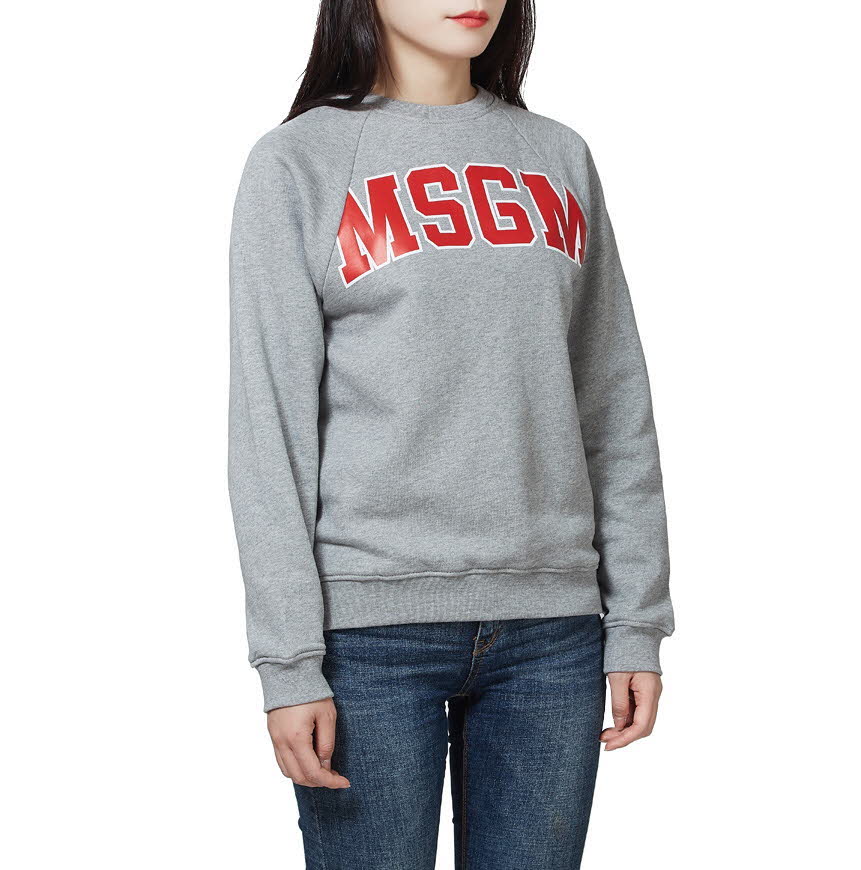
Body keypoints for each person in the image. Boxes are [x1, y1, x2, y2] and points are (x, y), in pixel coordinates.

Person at [228, 1, 674, 867]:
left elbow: (614, 400)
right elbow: (267, 429)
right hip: (367, 635)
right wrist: (287, 662)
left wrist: (637, 621)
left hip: (553, 631)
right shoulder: (297, 164)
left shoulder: (558, 156)